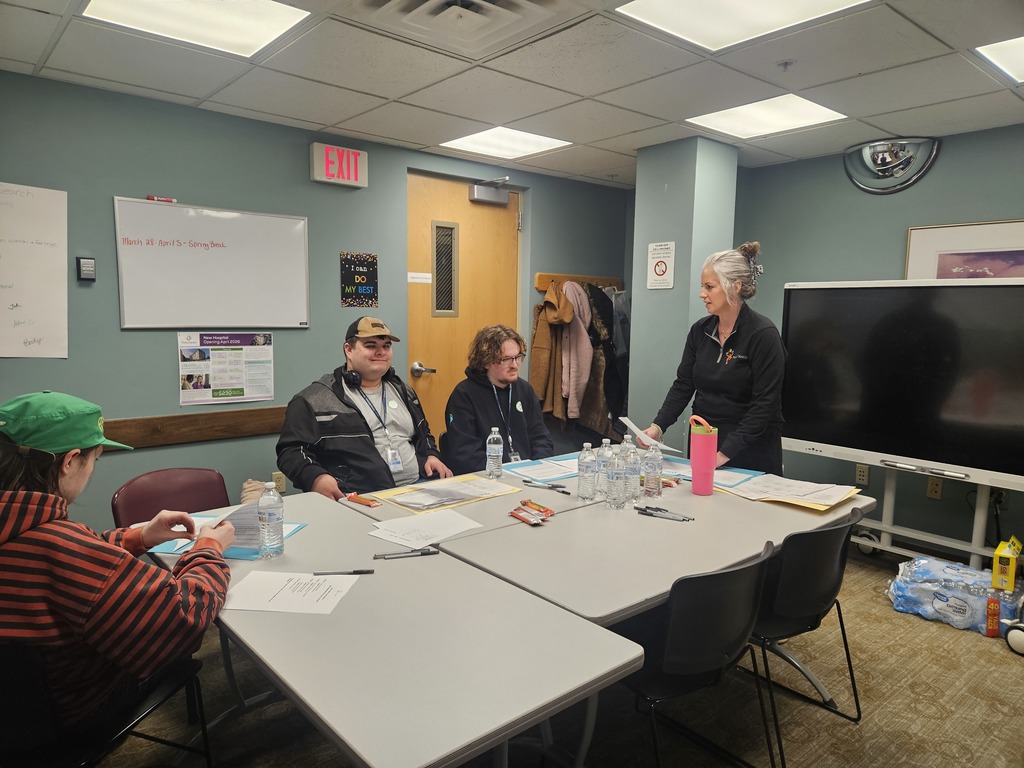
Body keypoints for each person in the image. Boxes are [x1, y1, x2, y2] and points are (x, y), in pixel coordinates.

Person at [0, 391, 234, 745]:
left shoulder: (24, 530)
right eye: (95, 459)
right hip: (68, 720)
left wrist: (137, 537)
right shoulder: (60, 549)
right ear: (70, 461)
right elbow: (182, 618)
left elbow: (79, 555)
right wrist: (208, 548)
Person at [643, 242, 786, 474]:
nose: (702, 294)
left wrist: (722, 455)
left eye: (709, 287)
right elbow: (683, 385)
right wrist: (658, 426)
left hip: (750, 448)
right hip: (704, 438)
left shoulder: (762, 335)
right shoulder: (700, 331)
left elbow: (764, 405)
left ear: (735, 286)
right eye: (702, 286)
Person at [276, 316, 452, 498]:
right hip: (360, 496)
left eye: (386, 346)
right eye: (371, 346)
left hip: (418, 487)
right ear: (348, 349)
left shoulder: (404, 392)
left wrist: (431, 455)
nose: (381, 352)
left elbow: (424, 434)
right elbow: (291, 452)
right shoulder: (314, 399)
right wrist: (316, 478)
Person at [444, 324, 555, 475]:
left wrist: (538, 469)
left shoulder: (525, 390)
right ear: (486, 361)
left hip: (529, 476)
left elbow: (541, 438)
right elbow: (465, 452)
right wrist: (502, 474)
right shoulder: (464, 395)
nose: (514, 365)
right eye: (506, 359)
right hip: (487, 478)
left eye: (517, 358)